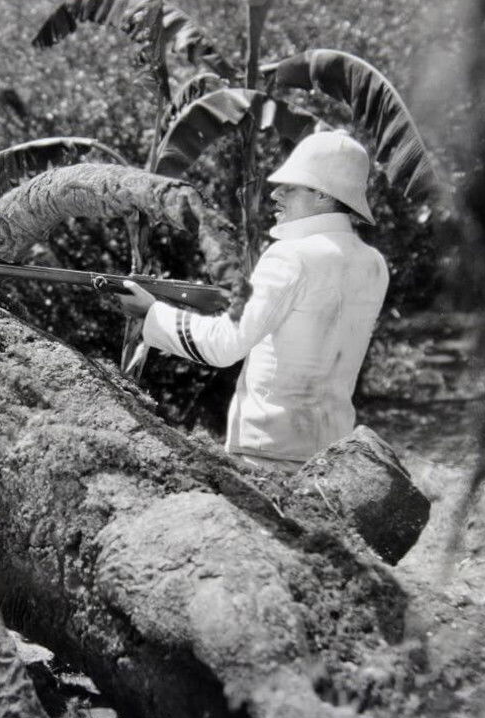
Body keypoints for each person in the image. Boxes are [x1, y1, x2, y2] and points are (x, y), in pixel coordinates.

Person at [119, 130, 388, 472]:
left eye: (291, 185)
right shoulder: (373, 263)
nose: (276, 194)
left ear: (322, 195)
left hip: (268, 454)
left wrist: (151, 313)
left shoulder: (290, 256)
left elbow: (224, 345)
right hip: (331, 455)